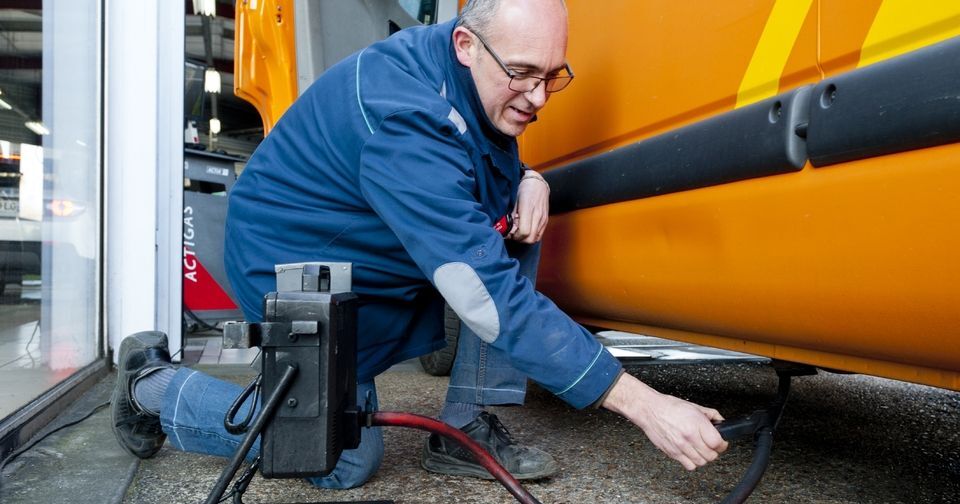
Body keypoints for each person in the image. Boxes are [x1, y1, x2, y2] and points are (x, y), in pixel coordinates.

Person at [110, 0, 728, 490]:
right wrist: (643, 403)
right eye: (521, 74)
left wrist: (529, 179)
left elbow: (475, 176)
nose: (538, 98)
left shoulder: (462, 77)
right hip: (294, 271)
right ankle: (150, 385)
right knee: (340, 460)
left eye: (552, 75)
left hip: (370, 256)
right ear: (466, 45)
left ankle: (464, 429)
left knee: (515, 226)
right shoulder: (403, 119)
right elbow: (484, 295)